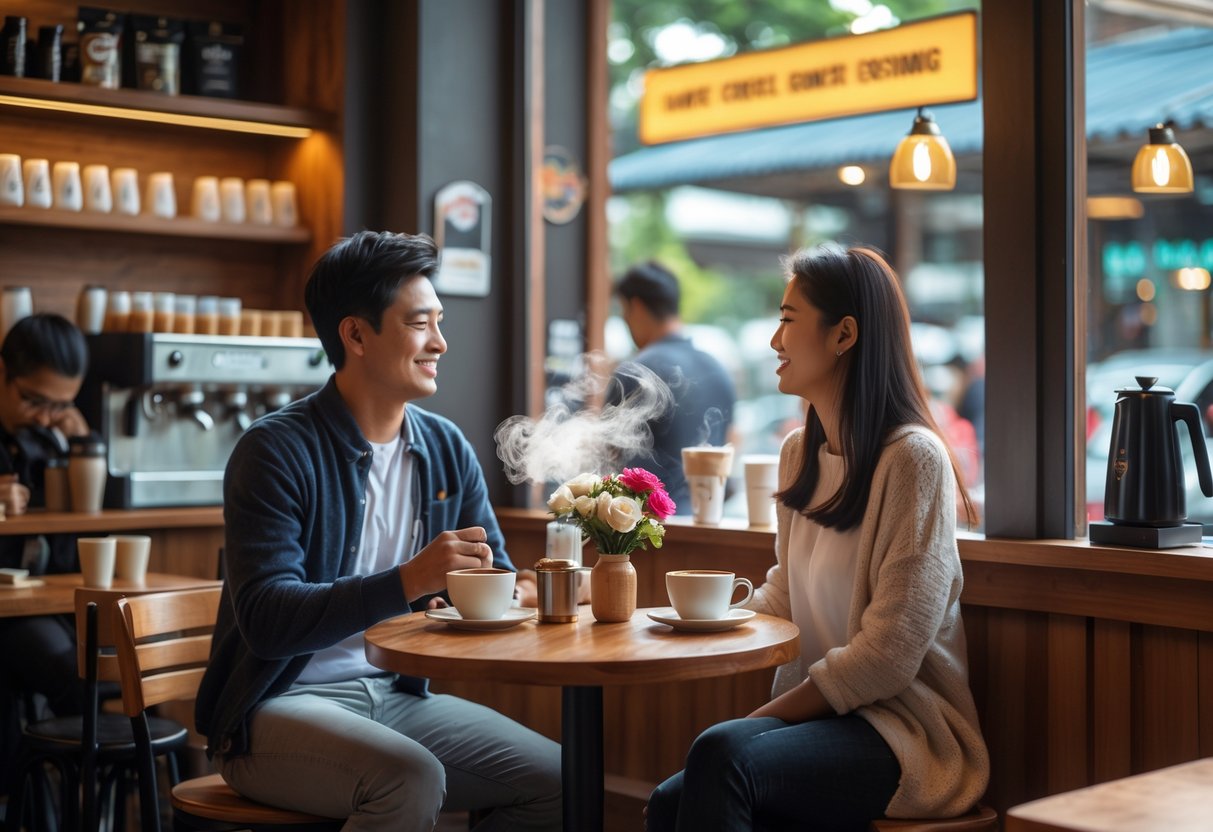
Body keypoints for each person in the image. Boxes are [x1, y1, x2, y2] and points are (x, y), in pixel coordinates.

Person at [195, 231, 561, 830]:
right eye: (420, 324)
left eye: (439, 321)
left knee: (556, 779)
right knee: (410, 778)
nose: (440, 342)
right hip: (275, 707)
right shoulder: (275, 451)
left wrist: (518, 589)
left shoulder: (444, 446)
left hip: (395, 696)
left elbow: (492, 570)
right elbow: (265, 620)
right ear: (356, 335)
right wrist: (410, 579)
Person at [646, 245, 989, 830]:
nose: (774, 341)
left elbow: (888, 657)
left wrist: (766, 719)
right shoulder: (798, 453)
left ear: (843, 334)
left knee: (722, 754)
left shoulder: (913, 459)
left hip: (904, 734)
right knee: (669, 799)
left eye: (787, 319)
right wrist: (685, 625)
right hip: (824, 719)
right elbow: (785, 591)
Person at [0, 313, 91, 794]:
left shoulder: (48, 438)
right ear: (2, 374)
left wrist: (80, 443)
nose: (43, 416)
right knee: (73, 675)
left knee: (110, 667)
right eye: (34, 400)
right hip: (8, 611)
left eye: (59, 406)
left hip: (45, 599)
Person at [609, 261, 736, 510]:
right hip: (711, 526)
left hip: (650, 532)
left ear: (635, 306)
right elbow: (732, 443)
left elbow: (610, 458)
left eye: (624, 312)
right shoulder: (719, 369)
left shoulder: (636, 371)